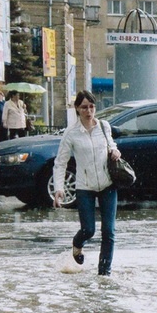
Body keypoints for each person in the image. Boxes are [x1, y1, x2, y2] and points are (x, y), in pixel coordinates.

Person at [53, 91, 122, 277]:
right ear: (77, 109)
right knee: (88, 230)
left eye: (92, 106)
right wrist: (59, 188)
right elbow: (61, 162)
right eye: (84, 107)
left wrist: (115, 152)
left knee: (109, 231)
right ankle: (77, 244)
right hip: (85, 187)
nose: (89, 111)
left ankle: (104, 274)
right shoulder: (71, 133)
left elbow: (111, 145)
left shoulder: (104, 126)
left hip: (107, 184)